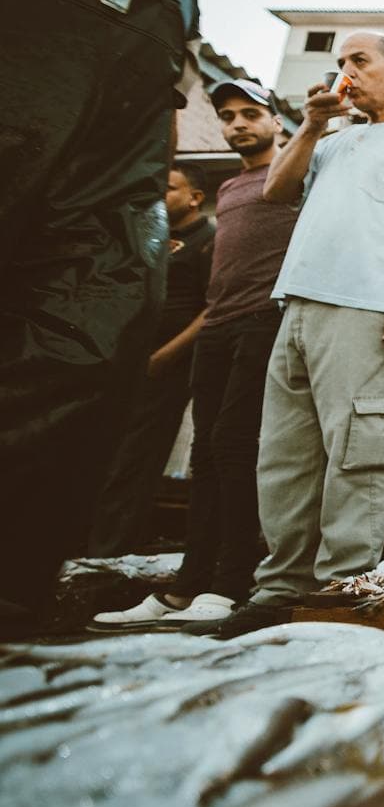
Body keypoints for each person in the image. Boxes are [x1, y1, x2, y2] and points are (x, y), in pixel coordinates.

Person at [0, 0, 213, 634]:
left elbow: (161, 111)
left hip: (96, 217)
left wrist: (142, 216)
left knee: (90, 366)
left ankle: (15, 585)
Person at [204, 33, 384, 636]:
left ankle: (341, 589)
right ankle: (280, 587)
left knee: (358, 454)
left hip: (369, 309)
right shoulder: (332, 140)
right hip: (296, 307)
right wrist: (311, 125)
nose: (346, 72)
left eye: (359, 61)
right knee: (286, 457)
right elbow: (276, 190)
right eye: (340, 63)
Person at [92, 79, 296, 629]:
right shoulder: (229, 189)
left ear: (277, 121)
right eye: (228, 116)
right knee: (205, 451)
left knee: (234, 445)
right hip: (219, 325)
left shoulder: (297, 175)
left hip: (265, 321)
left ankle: (233, 581)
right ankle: (189, 583)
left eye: (250, 113)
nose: (237, 125)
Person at [86, 162, 215, 555]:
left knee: (134, 461)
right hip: (127, 366)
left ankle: (109, 553)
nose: (159, 196)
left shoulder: (209, 239)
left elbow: (213, 306)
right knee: (107, 457)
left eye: (170, 189)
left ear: (194, 198)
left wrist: (163, 356)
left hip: (168, 368)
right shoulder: (152, 237)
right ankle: (92, 544)